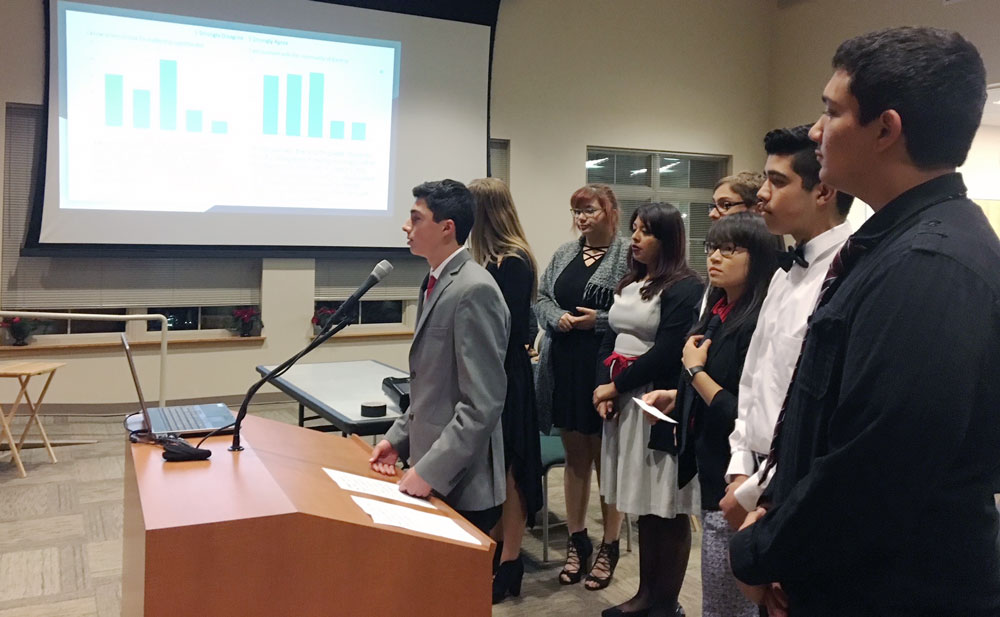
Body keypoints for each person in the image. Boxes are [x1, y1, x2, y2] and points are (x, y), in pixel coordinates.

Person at [729, 27, 1000, 616]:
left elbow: (874, 468)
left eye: (831, 111)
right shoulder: (894, 243)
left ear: (886, 128)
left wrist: (762, 551)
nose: (816, 132)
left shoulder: (930, 264)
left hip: (889, 590)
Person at [643, 212, 778, 617]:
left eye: (729, 249)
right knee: (718, 592)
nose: (715, 258)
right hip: (709, 465)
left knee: (726, 599)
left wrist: (695, 373)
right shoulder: (719, 308)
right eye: (712, 248)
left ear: (758, 257)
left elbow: (745, 413)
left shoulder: (758, 320)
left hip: (738, 474)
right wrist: (675, 395)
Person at [720, 125, 853, 531]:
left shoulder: (849, 278)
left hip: (799, 488)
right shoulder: (783, 275)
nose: (761, 194)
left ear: (823, 191)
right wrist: (741, 468)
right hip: (755, 477)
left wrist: (760, 492)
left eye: (777, 182)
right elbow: (753, 381)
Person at [370, 179, 510, 536]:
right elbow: (431, 389)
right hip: (432, 470)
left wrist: (431, 470)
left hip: (463, 484)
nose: (406, 227)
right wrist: (396, 439)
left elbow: (482, 403)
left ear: (447, 228)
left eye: (416, 219)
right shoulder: (436, 280)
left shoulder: (473, 289)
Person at [592, 202, 703, 615]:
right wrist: (601, 387)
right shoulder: (630, 282)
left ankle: (665, 601)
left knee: (665, 504)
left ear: (668, 239)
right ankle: (646, 595)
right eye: (634, 229)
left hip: (657, 398)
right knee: (641, 502)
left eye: (646, 231)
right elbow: (610, 337)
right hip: (621, 398)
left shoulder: (685, 287)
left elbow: (669, 352)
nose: (634, 238)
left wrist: (614, 386)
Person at [534, 183, 630, 588]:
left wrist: (599, 320)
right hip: (566, 366)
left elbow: (641, 311)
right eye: (576, 211)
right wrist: (558, 318)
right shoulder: (563, 253)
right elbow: (540, 299)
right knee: (575, 456)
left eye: (589, 210)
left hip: (606, 366)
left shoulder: (629, 254)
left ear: (609, 211)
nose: (581, 218)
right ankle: (578, 540)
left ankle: (609, 544)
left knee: (607, 460)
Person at [466, 178, 543, 604]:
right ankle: (496, 552)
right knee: (494, 465)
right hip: (491, 372)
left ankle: (511, 559)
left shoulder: (513, 261)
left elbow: (506, 329)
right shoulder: (488, 259)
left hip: (506, 375)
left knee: (512, 467)